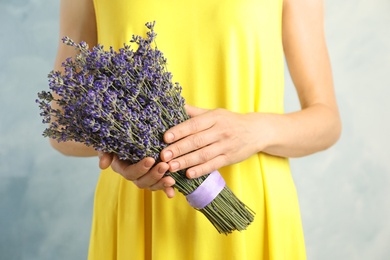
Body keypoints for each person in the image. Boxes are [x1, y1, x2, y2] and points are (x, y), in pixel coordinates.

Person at [50, 0, 341, 259]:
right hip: (138, 212)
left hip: (251, 202)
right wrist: (125, 147)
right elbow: (61, 123)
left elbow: (326, 120)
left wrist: (255, 131)